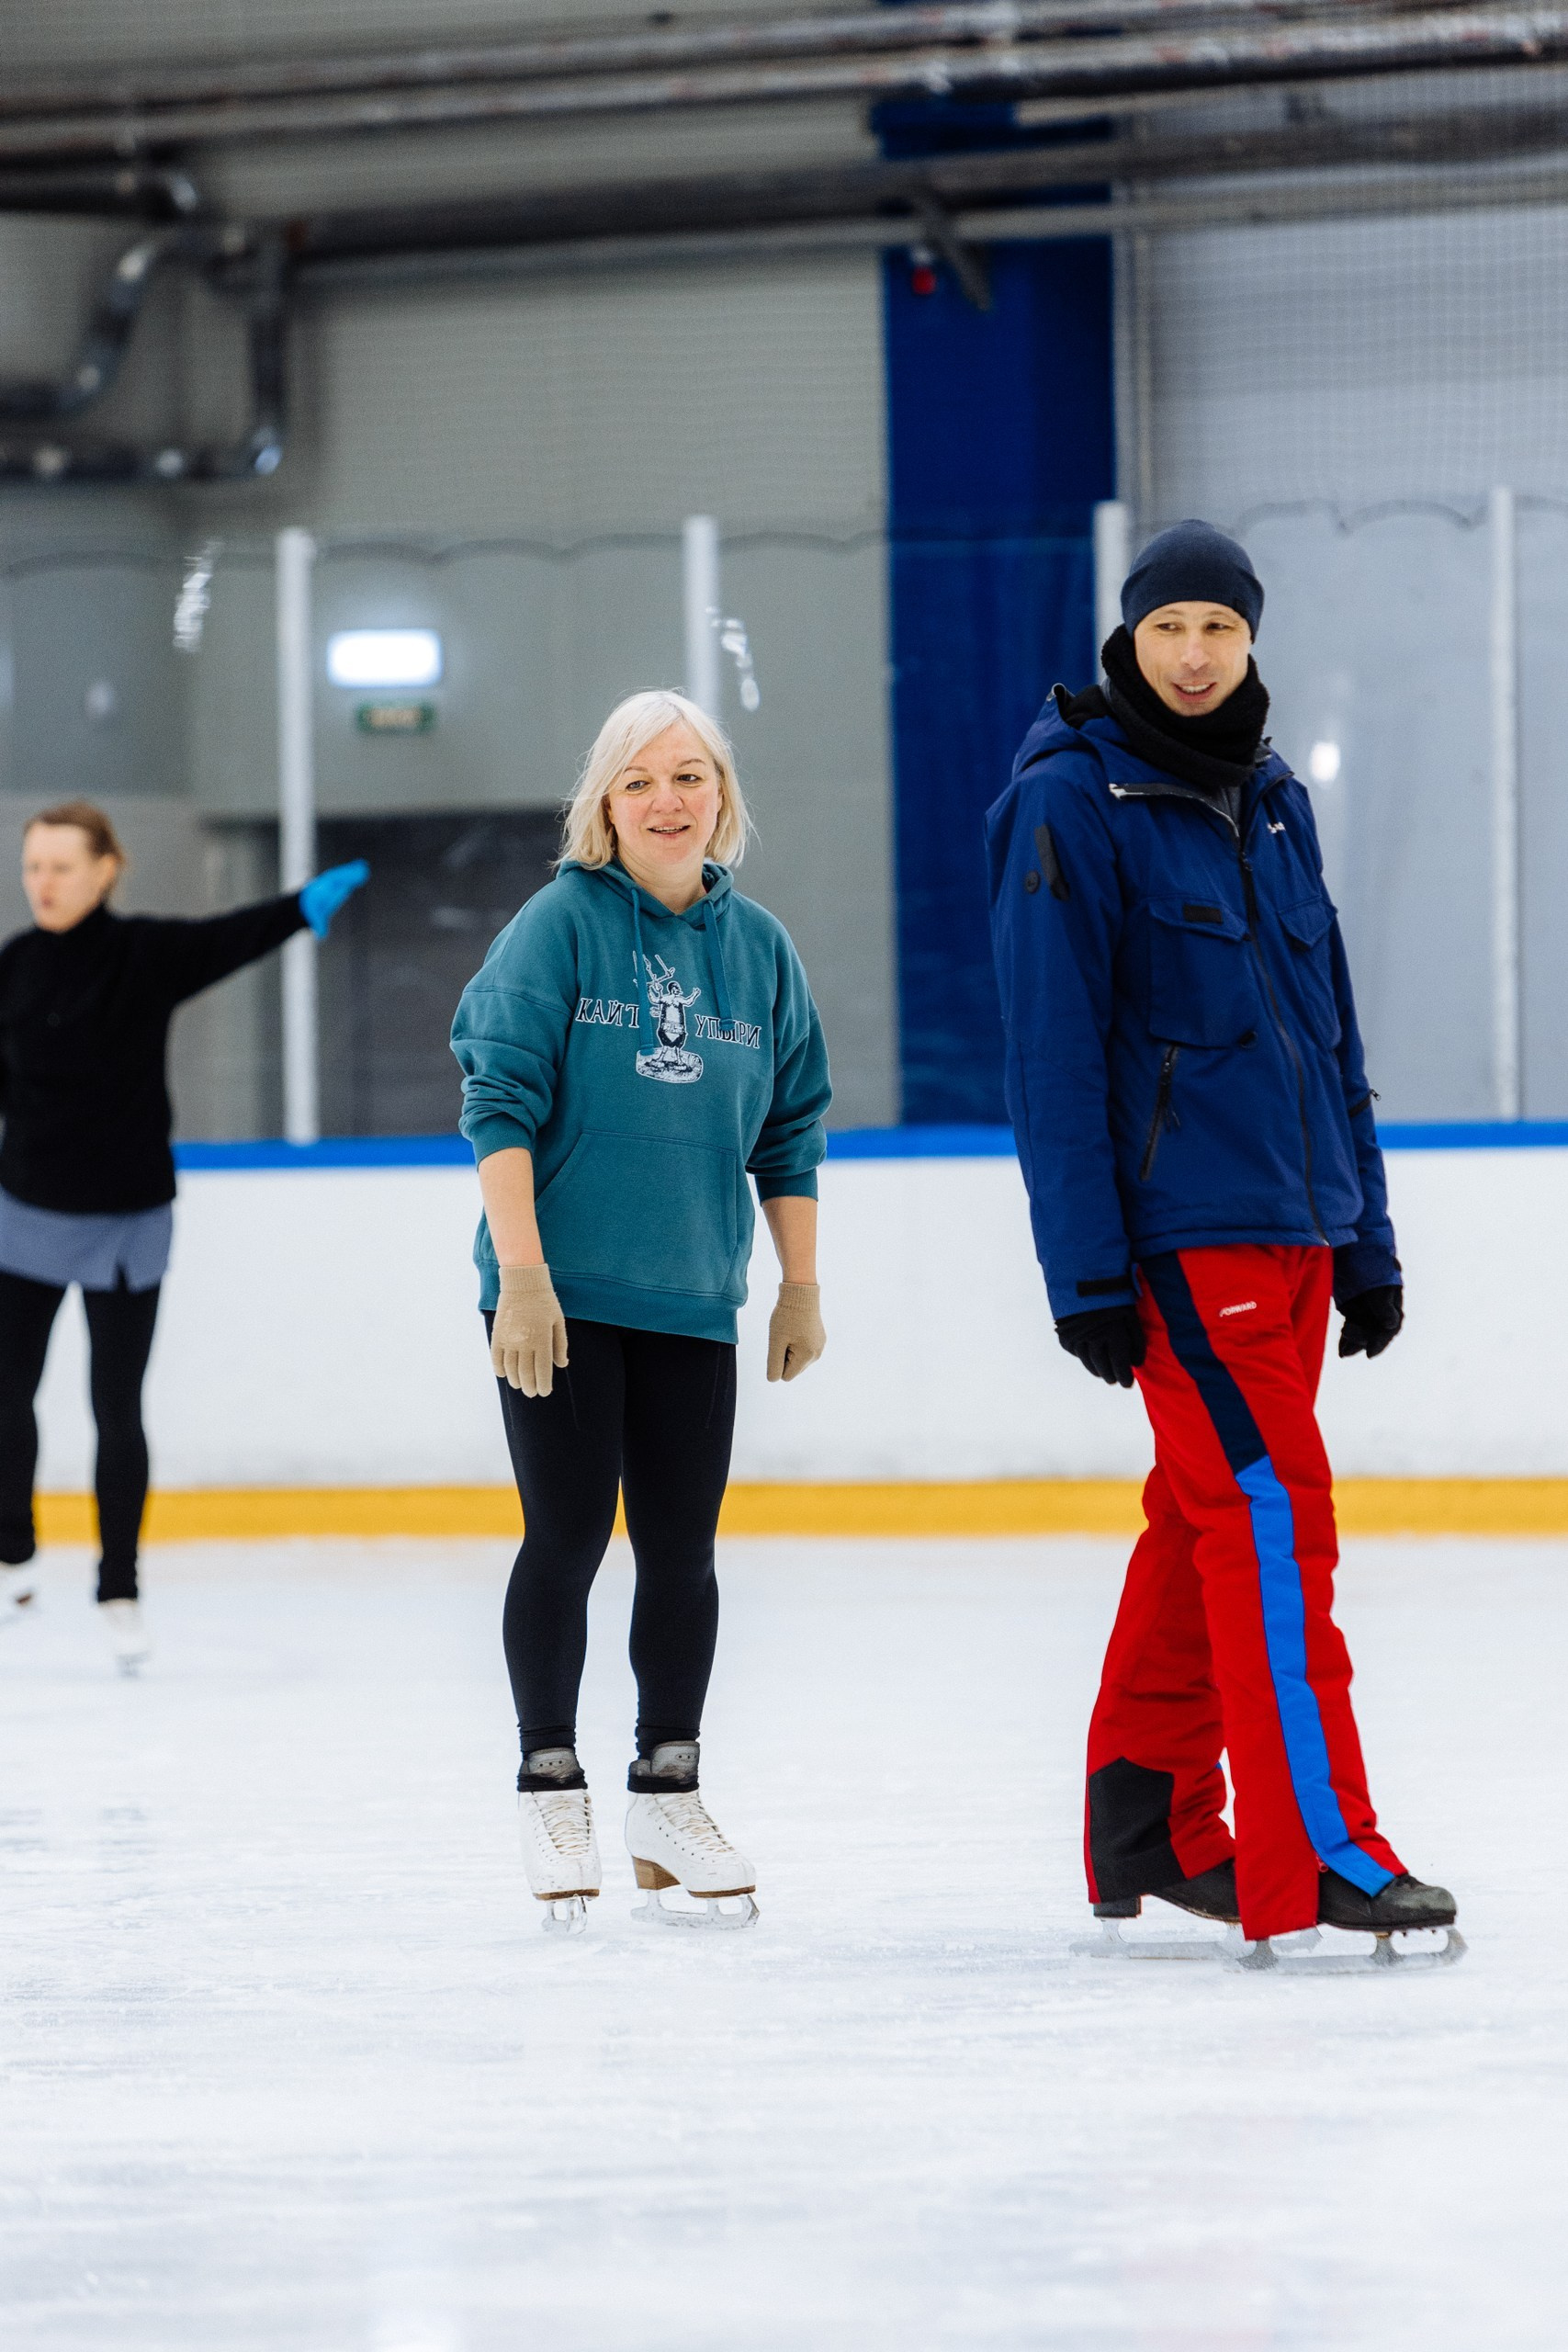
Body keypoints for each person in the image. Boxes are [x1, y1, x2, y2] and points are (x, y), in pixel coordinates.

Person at [986, 520, 1459, 1962]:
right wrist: (1081, 1268)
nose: (1193, 656)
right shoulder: (1067, 804)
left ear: (1251, 643)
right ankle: (1321, 1845)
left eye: (1221, 630)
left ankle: (1151, 1821)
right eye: (1168, 627)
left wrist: (1363, 1232)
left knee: (1203, 1524)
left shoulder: (1268, 799)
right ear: (1124, 637)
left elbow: (1330, 1031)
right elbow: (1048, 1056)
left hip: (1295, 1233)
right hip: (1181, 1240)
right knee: (1268, 1526)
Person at [451, 689, 830, 1934]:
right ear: (603, 806)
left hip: (688, 1300)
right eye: (639, 782)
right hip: (556, 1299)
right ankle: (547, 1779)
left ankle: (667, 1789)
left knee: (681, 1549)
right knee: (564, 1538)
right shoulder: (557, 926)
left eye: (689, 776)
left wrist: (798, 1282)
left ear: (720, 793)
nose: (668, 800)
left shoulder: (757, 949)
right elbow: (495, 1103)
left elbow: (789, 1127)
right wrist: (521, 1275)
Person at [0, 799, 367, 1670]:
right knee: (7, 1393)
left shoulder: (144, 955)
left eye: (60, 866)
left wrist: (299, 905)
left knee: (115, 1407)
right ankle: (12, 1549)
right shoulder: (12, 968)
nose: (43, 883)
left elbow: (228, 937)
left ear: (105, 869)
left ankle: (118, 1583)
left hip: (128, 1218)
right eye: (32, 867)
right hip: (26, 1214)